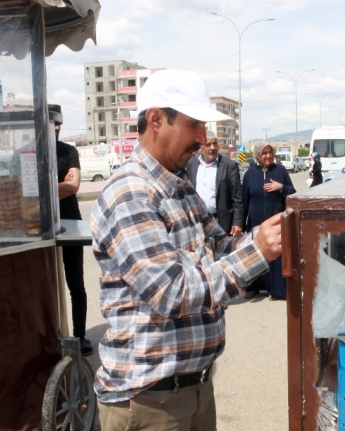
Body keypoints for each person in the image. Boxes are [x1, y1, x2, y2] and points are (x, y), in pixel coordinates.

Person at [89, 69, 282, 430]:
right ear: (156, 119)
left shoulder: (179, 187)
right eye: (194, 124)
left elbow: (220, 247)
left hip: (193, 390)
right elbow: (172, 292)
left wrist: (265, 235)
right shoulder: (130, 193)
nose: (203, 138)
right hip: (149, 402)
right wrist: (258, 251)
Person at [48, 105, 93, 357]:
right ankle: (49, 335)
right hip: (39, 228)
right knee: (44, 285)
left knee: (76, 283)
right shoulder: (25, 153)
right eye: (52, 123)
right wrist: (59, 185)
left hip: (70, 224)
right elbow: (21, 186)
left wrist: (41, 187)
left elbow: (74, 186)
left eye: (59, 124)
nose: (56, 128)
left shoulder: (68, 151)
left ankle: (80, 336)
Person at [242, 142, 295, 300]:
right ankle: (255, 286)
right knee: (256, 254)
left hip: (275, 221)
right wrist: (242, 224)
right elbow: (244, 200)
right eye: (264, 153)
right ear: (258, 155)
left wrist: (282, 187)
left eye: (270, 152)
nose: (268, 155)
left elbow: (293, 194)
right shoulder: (250, 174)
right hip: (255, 222)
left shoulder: (280, 171)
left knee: (276, 254)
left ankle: (277, 289)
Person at [186, 129, 243, 237]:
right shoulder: (191, 164)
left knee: (222, 251)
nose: (212, 148)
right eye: (208, 144)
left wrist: (238, 222)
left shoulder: (229, 166)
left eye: (215, 143)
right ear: (201, 147)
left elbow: (237, 197)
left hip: (220, 221)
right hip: (197, 220)